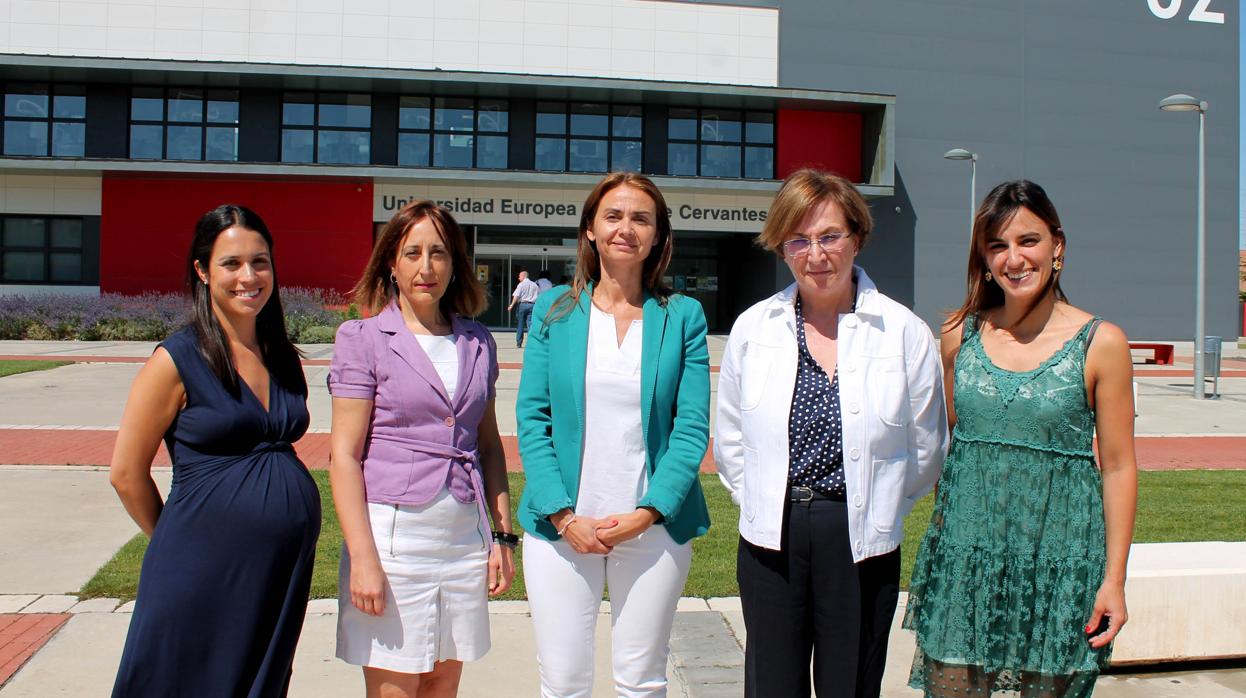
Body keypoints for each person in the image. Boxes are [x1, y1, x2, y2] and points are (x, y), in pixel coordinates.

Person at [715, 169, 948, 698]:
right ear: (781, 248)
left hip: (861, 535)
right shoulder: (754, 328)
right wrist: (756, 499)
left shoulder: (903, 331)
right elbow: (730, 436)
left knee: (852, 682)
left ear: (857, 238)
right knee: (773, 684)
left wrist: (884, 503)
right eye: (797, 240)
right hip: (773, 533)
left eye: (829, 236)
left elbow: (926, 447)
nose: (814, 254)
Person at [903, 180, 1138, 698]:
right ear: (984, 259)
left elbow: (1119, 467)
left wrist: (1114, 580)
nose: (1014, 258)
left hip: (1060, 565)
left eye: (1028, 241)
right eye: (998, 246)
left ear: (1058, 246)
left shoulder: (1102, 343)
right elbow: (952, 449)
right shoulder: (957, 335)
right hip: (966, 560)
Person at [109, 204, 319, 697]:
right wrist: (179, 542)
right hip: (200, 571)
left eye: (260, 261)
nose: (249, 276)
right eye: (231, 263)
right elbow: (125, 472)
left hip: (276, 576)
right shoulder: (176, 359)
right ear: (202, 271)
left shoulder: (280, 354)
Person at [516, 172, 711, 697]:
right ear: (590, 230)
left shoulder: (683, 316)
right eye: (614, 215)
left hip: (652, 529)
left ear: (658, 236)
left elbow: (691, 426)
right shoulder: (555, 312)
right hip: (561, 529)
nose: (627, 228)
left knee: (641, 682)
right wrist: (562, 513)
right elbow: (533, 419)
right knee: (563, 682)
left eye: (641, 218)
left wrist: (647, 513)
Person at [328, 200, 516, 698]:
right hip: (395, 545)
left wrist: (502, 536)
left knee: (441, 687)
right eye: (412, 253)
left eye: (438, 253)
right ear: (391, 262)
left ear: (456, 264)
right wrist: (363, 558)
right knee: (396, 689)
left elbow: (489, 447)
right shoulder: (362, 338)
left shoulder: (478, 342)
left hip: (462, 542)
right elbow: (344, 456)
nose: (425, 267)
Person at [508, 269, 540, 347]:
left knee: (520, 324)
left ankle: (519, 342)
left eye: (519, 276)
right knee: (530, 324)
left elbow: (516, 296)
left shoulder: (521, 285)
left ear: (523, 276)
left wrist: (512, 305)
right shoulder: (535, 285)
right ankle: (531, 342)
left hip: (522, 305)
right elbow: (539, 296)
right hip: (532, 305)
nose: (518, 278)